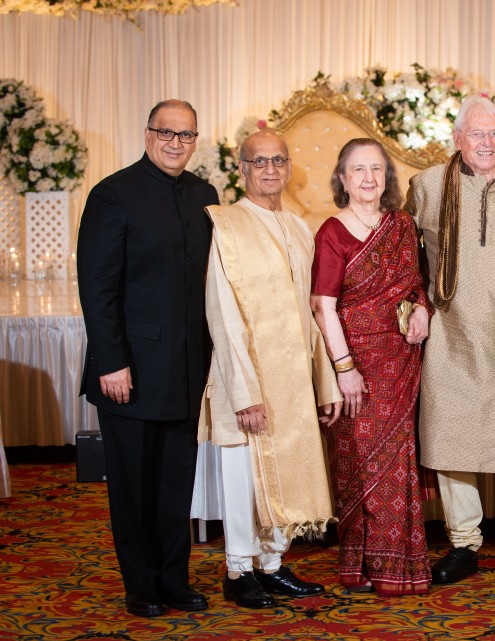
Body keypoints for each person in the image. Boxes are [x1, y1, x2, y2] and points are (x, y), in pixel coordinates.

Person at [405, 95, 495, 587]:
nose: (486, 143)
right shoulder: (427, 185)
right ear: (457, 139)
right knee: (450, 436)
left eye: (494, 134)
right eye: (476, 134)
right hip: (449, 334)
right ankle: (463, 543)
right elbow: (403, 253)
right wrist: (415, 304)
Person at [77, 99, 217, 617]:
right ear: (147, 134)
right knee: (134, 486)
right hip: (129, 371)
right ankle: (141, 585)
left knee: (176, 483)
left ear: (195, 140)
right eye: (166, 133)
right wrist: (110, 361)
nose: (176, 143)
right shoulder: (112, 194)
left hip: (186, 369)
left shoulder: (205, 195)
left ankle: (174, 580)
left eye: (186, 135)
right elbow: (97, 288)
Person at [200, 130, 342, 609]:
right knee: (243, 479)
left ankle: (272, 564)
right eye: (258, 161)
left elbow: (312, 313)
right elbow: (222, 313)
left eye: (278, 160)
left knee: (286, 474)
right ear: (242, 168)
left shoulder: (299, 227)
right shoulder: (225, 224)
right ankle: (238, 569)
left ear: (288, 167)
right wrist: (244, 393)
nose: (269, 169)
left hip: (292, 383)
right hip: (244, 381)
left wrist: (324, 383)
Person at [311, 138, 432, 596]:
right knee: (359, 462)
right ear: (343, 179)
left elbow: (417, 284)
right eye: (358, 169)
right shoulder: (332, 231)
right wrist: (344, 369)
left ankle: (397, 564)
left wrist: (422, 309)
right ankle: (359, 562)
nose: (368, 178)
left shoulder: (401, 225)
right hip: (356, 365)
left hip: (401, 361)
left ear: (387, 177)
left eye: (376, 169)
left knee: (398, 461)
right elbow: (322, 305)